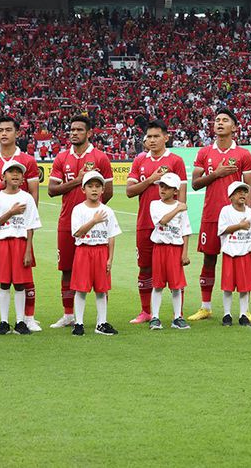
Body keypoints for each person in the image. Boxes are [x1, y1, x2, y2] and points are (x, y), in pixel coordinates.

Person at [0, 116, 41, 332]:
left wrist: (28, 225)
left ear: (17, 133)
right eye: (0, 130)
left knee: (23, 272)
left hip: (20, 228)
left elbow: (34, 194)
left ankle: (27, 318)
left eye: (8, 130)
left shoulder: (28, 161)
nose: (3, 134)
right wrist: (2, 185)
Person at [188, 108, 251, 321]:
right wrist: (215, 174)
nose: (219, 123)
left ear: (234, 127)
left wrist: (249, 217)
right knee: (209, 259)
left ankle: (244, 309)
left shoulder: (243, 154)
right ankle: (205, 306)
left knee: (241, 258)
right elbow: (195, 184)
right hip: (211, 215)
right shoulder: (204, 153)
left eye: (225, 120)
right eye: (217, 120)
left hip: (237, 217)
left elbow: (249, 187)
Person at [48, 115, 113, 329]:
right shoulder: (61, 158)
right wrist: (78, 181)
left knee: (100, 270)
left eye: (79, 130)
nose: (74, 133)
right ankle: (69, 315)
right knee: (66, 269)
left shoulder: (100, 158)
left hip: (95, 222)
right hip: (67, 221)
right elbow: (51, 191)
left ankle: (101, 320)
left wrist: (91, 210)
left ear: (89, 133)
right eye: (72, 129)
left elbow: (109, 192)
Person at [125, 119, 187, 324]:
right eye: (149, 137)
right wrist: (151, 179)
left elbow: (182, 196)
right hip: (145, 222)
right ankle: (146, 312)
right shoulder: (139, 161)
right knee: (144, 267)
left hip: (171, 224)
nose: (152, 140)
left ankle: (178, 314)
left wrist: (181, 220)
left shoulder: (176, 161)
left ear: (166, 137)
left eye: (156, 136)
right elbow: (129, 192)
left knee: (175, 269)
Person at [0, 160, 42, 336]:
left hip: (20, 243)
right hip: (3, 242)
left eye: (19, 172)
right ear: (4, 176)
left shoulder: (26, 197)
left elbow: (31, 225)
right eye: (11, 172)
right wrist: (11, 212)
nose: (15, 175)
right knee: (3, 283)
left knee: (20, 284)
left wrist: (28, 251)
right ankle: (3, 322)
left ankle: (20, 321)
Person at [69, 171, 121, 336]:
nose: (94, 189)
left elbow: (111, 236)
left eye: (97, 186)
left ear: (103, 190)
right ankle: (79, 323)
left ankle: (102, 323)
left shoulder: (107, 211)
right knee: (81, 289)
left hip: (101, 251)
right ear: (83, 189)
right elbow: (77, 232)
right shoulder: (78, 210)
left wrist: (110, 258)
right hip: (84, 251)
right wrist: (93, 221)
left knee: (101, 289)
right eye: (90, 186)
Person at [148, 172, 192, 330]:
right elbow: (162, 221)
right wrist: (178, 208)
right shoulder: (155, 204)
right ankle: (155, 317)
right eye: (161, 186)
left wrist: (185, 253)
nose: (163, 190)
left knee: (176, 285)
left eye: (167, 187)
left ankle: (178, 317)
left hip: (175, 249)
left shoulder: (181, 208)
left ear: (175, 191)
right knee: (158, 285)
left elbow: (186, 231)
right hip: (160, 247)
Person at [217, 181, 251, 327]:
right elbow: (221, 230)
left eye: (244, 192)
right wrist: (239, 226)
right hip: (230, 253)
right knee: (228, 286)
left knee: (244, 287)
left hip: (245, 254)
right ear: (231, 196)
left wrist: (249, 247)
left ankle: (243, 314)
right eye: (238, 192)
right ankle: (227, 314)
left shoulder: (250, 213)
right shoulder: (225, 211)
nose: (242, 194)